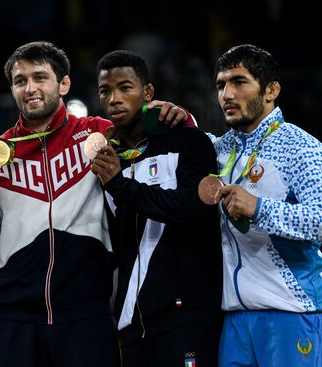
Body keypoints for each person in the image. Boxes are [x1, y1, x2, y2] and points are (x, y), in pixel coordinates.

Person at [0, 41, 192, 367]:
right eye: (20, 81)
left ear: (63, 84)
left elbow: (174, 151)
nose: (30, 88)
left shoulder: (100, 134)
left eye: (40, 78)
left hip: (86, 315)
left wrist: (178, 117)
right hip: (17, 320)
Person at [212, 44, 322, 367]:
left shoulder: (300, 147)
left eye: (239, 82)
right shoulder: (220, 149)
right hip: (235, 319)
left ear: (272, 90)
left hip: (293, 314)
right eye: (221, 85)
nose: (227, 94)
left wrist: (260, 208)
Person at [90, 50, 223, 367]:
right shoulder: (111, 160)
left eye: (125, 88)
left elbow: (196, 207)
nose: (114, 99)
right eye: (105, 91)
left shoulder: (188, 141)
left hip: (186, 317)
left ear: (148, 93)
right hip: (132, 321)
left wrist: (120, 185)